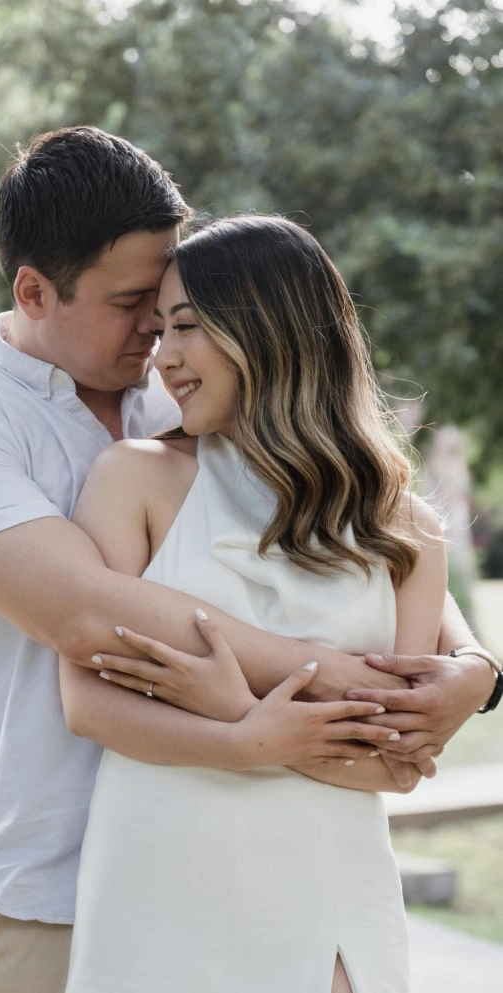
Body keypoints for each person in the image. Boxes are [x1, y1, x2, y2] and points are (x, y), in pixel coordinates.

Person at [0, 128, 500, 993]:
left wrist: (476, 665)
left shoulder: (193, 394)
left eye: (178, 307)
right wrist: (311, 691)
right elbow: (88, 619)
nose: (159, 330)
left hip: (281, 875)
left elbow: (380, 547)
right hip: (48, 888)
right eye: (136, 301)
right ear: (34, 290)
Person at [60, 214, 448, 993]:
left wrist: (237, 704)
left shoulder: (407, 527)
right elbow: (87, 703)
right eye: (158, 330)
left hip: (329, 897)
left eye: (188, 328)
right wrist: (246, 735)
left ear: (267, 329)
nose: (163, 357)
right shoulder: (133, 477)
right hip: (160, 885)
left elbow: (401, 766)